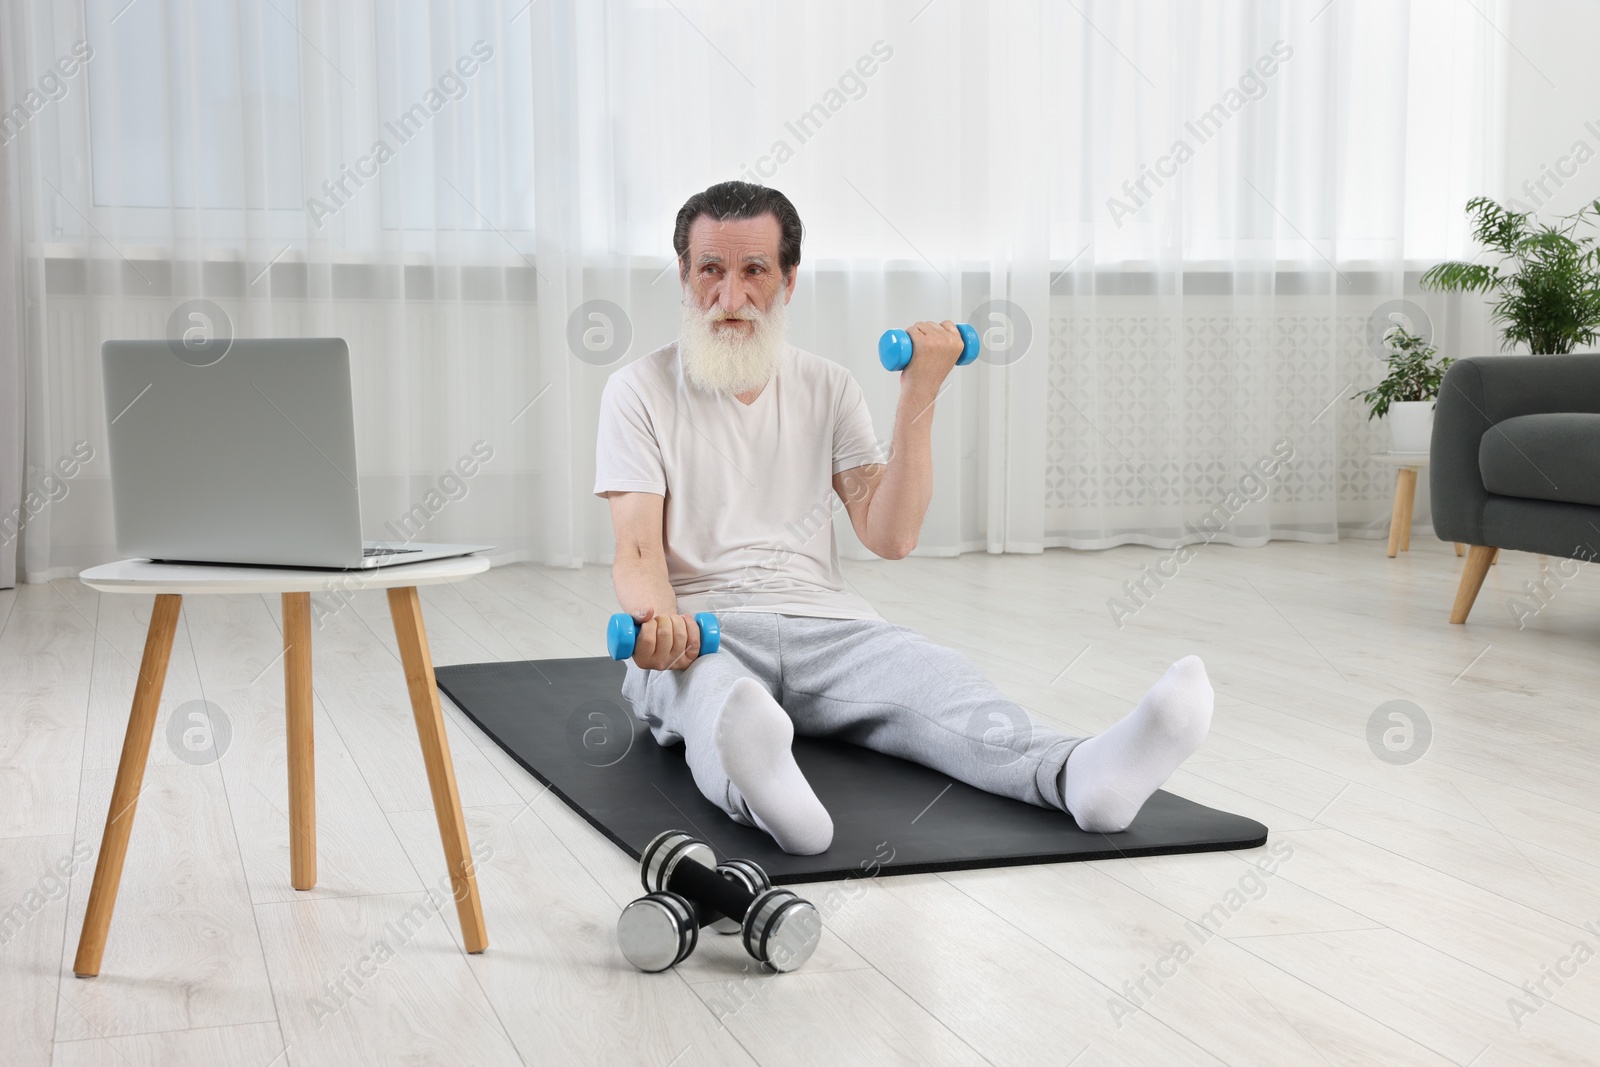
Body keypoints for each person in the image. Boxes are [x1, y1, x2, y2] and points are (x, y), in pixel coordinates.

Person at [594, 181, 1212, 855]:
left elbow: (890, 535)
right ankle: (767, 789)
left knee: (939, 677)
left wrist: (921, 390)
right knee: (713, 694)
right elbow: (637, 551)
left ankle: (1079, 775)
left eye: (754, 271)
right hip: (703, 626)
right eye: (711, 269)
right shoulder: (637, 389)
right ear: (684, 274)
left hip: (829, 625)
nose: (731, 296)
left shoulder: (827, 385)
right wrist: (662, 626)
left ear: (789, 280)